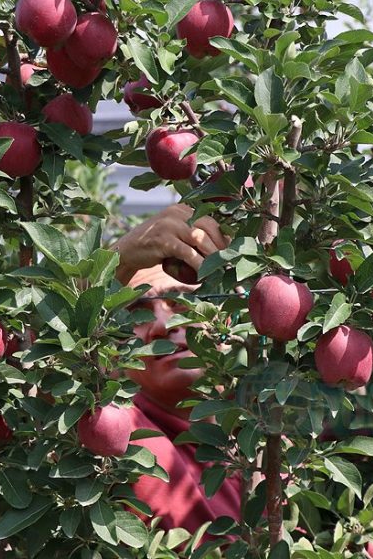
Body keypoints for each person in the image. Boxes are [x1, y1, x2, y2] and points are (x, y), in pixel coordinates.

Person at [110, 204, 242, 534]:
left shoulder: (277, 447)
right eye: (136, 313)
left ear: (226, 321)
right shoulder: (121, 433)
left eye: (180, 302)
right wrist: (120, 258)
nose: (161, 325)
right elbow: (40, 352)